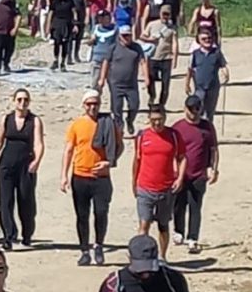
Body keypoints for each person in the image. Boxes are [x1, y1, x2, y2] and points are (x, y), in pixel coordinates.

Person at [61, 90, 124, 267]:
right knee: (82, 215)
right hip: (80, 176)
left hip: (101, 178)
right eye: (89, 104)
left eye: (95, 103)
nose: (92, 107)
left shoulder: (108, 123)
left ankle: (99, 245)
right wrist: (63, 176)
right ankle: (84, 251)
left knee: (101, 213)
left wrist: (109, 162)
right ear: (84, 105)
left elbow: (119, 146)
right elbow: (69, 150)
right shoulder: (76, 125)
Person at [0, 89, 44, 249]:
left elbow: (38, 143)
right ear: (13, 101)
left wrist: (37, 161)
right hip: (6, 165)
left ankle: (27, 235)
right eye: (19, 99)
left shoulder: (35, 121)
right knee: (5, 202)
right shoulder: (6, 119)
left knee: (26, 201)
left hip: (26, 166)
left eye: (25, 100)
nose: (22, 103)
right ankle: (8, 236)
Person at [132, 105, 186, 262]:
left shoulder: (174, 136)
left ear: (165, 117)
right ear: (149, 119)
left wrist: (180, 178)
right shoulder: (142, 136)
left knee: (163, 225)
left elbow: (182, 158)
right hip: (145, 187)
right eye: (154, 120)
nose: (157, 123)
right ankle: (142, 258)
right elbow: (136, 160)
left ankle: (162, 257)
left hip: (166, 188)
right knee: (144, 224)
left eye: (160, 119)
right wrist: (134, 182)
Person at [171, 95, 219, 254]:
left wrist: (214, 168)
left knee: (195, 207)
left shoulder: (207, 127)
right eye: (190, 110)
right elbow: (171, 151)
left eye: (196, 110)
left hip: (199, 174)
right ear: (185, 109)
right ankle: (179, 231)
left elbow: (214, 149)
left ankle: (193, 238)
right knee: (178, 205)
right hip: (180, 175)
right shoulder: (177, 127)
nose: (193, 113)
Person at [98, 24, 149, 134]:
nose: (127, 38)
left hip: (131, 84)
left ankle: (130, 121)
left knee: (134, 106)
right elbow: (105, 62)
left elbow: (143, 62)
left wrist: (146, 77)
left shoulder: (137, 47)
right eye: (124, 35)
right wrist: (102, 78)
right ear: (119, 36)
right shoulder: (113, 47)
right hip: (115, 84)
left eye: (128, 35)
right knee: (116, 108)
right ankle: (119, 128)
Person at [185, 30, 230, 122]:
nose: (207, 40)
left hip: (213, 87)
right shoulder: (195, 54)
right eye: (204, 39)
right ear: (199, 40)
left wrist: (226, 73)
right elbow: (190, 70)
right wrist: (187, 83)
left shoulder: (216, 53)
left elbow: (223, 64)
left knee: (210, 112)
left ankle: (209, 130)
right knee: (198, 110)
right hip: (199, 88)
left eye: (209, 38)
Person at [140, 5, 180, 107]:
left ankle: (162, 104)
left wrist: (175, 58)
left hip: (166, 58)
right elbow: (142, 36)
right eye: (164, 14)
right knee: (151, 80)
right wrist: (150, 40)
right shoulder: (152, 24)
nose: (165, 16)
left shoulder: (172, 28)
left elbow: (175, 43)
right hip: (153, 57)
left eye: (167, 14)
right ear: (160, 13)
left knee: (166, 84)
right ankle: (152, 96)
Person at [46, 0, 76, 71]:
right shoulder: (55, 2)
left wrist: (75, 24)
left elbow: (74, 12)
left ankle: (63, 62)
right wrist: (48, 26)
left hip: (67, 23)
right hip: (57, 23)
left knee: (65, 44)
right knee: (57, 42)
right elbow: (50, 14)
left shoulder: (69, 1)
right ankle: (56, 60)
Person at [87, 9, 117, 91]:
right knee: (95, 83)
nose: (101, 19)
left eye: (104, 17)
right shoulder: (96, 28)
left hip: (110, 60)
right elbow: (92, 39)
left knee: (113, 83)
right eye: (100, 18)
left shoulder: (115, 29)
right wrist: (91, 41)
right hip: (97, 58)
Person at [69, 0, 88, 64]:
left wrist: (87, 17)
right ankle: (69, 56)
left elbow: (86, 6)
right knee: (70, 38)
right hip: (71, 19)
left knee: (78, 39)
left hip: (81, 18)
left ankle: (76, 55)